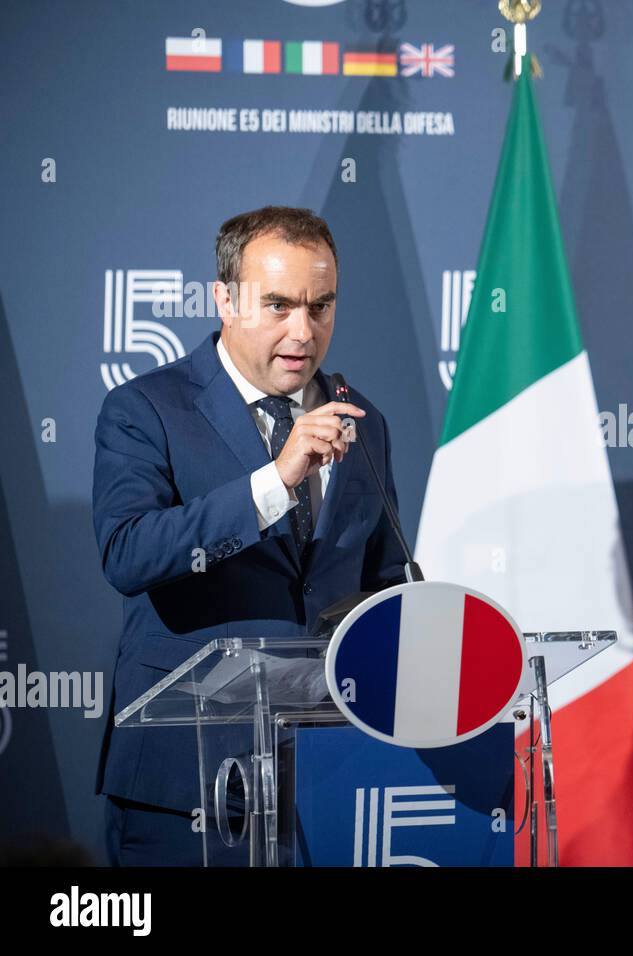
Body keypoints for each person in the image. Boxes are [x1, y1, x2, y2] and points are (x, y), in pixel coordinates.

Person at [92, 206, 407, 865]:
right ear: (224, 300)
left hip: (328, 781)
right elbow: (129, 552)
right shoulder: (147, 409)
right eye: (279, 305)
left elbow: (380, 586)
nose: (303, 331)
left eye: (321, 306)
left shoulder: (362, 419)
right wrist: (275, 481)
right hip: (188, 782)